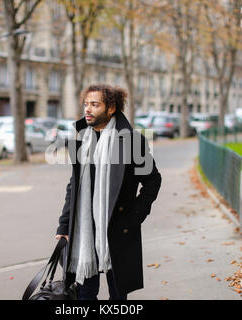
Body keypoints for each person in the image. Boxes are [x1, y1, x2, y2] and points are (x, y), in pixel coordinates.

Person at [55, 84, 162, 300]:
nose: (88, 109)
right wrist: (64, 225)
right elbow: (73, 187)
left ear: (111, 108)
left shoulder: (131, 141)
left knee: (117, 296)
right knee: (84, 295)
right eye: (86, 104)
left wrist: (134, 216)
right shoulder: (83, 140)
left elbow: (153, 181)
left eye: (95, 104)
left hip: (116, 228)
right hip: (84, 230)